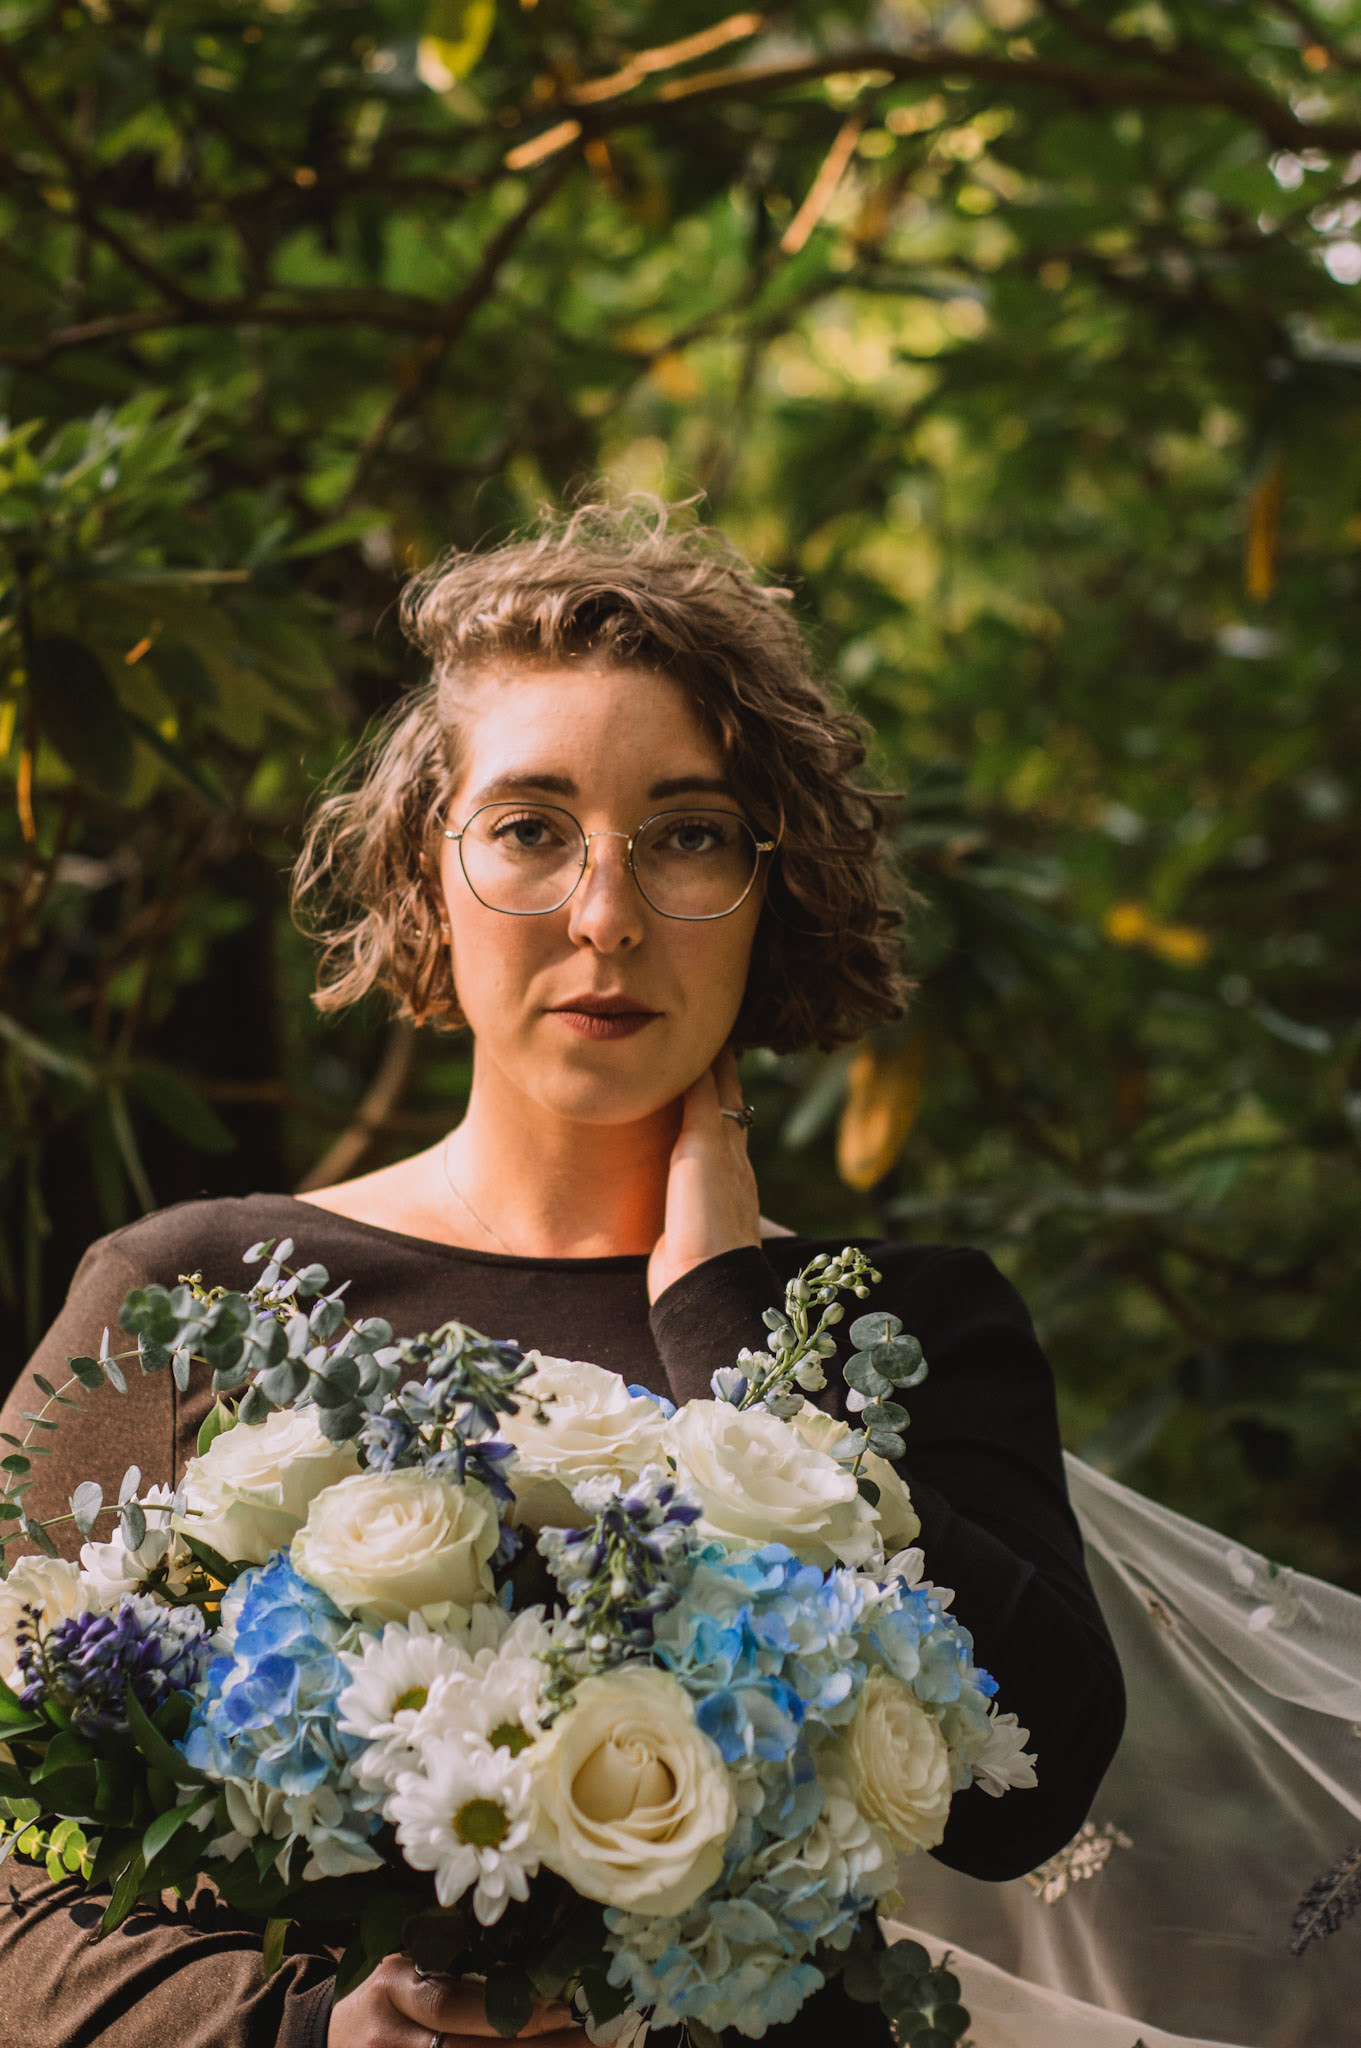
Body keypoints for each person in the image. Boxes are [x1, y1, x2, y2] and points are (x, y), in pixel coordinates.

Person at [0, 500, 1125, 2048]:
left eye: (688, 835)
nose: (606, 917)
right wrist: (307, 2032)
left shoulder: (907, 1324)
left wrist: (726, 1328)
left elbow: (1033, 1793)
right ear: (427, 871)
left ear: (773, 886)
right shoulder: (192, 1295)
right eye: (531, 829)